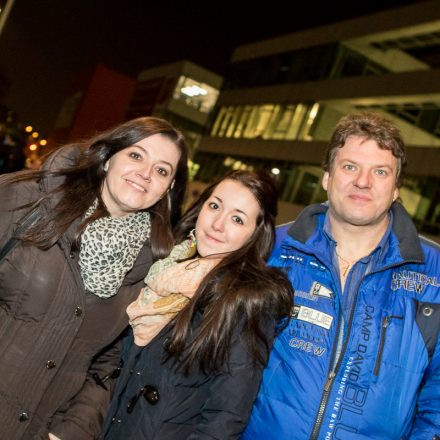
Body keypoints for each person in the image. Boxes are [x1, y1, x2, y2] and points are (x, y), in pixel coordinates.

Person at [243, 112, 440, 439]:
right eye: (350, 167)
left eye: (380, 171)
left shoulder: (434, 275)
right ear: (326, 177)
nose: (363, 182)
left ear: (396, 189)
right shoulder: (269, 249)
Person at [0, 116, 188, 440]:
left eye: (161, 170)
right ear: (109, 155)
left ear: (168, 188)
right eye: (136, 155)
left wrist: (71, 431)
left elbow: (110, 365)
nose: (145, 173)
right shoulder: (25, 199)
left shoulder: (151, 266)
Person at [100, 170, 294, 440]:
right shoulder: (167, 268)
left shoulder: (246, 301)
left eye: (237, 219)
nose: (217, 224)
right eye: (214, 206)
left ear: (254, 235)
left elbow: (225, 418)